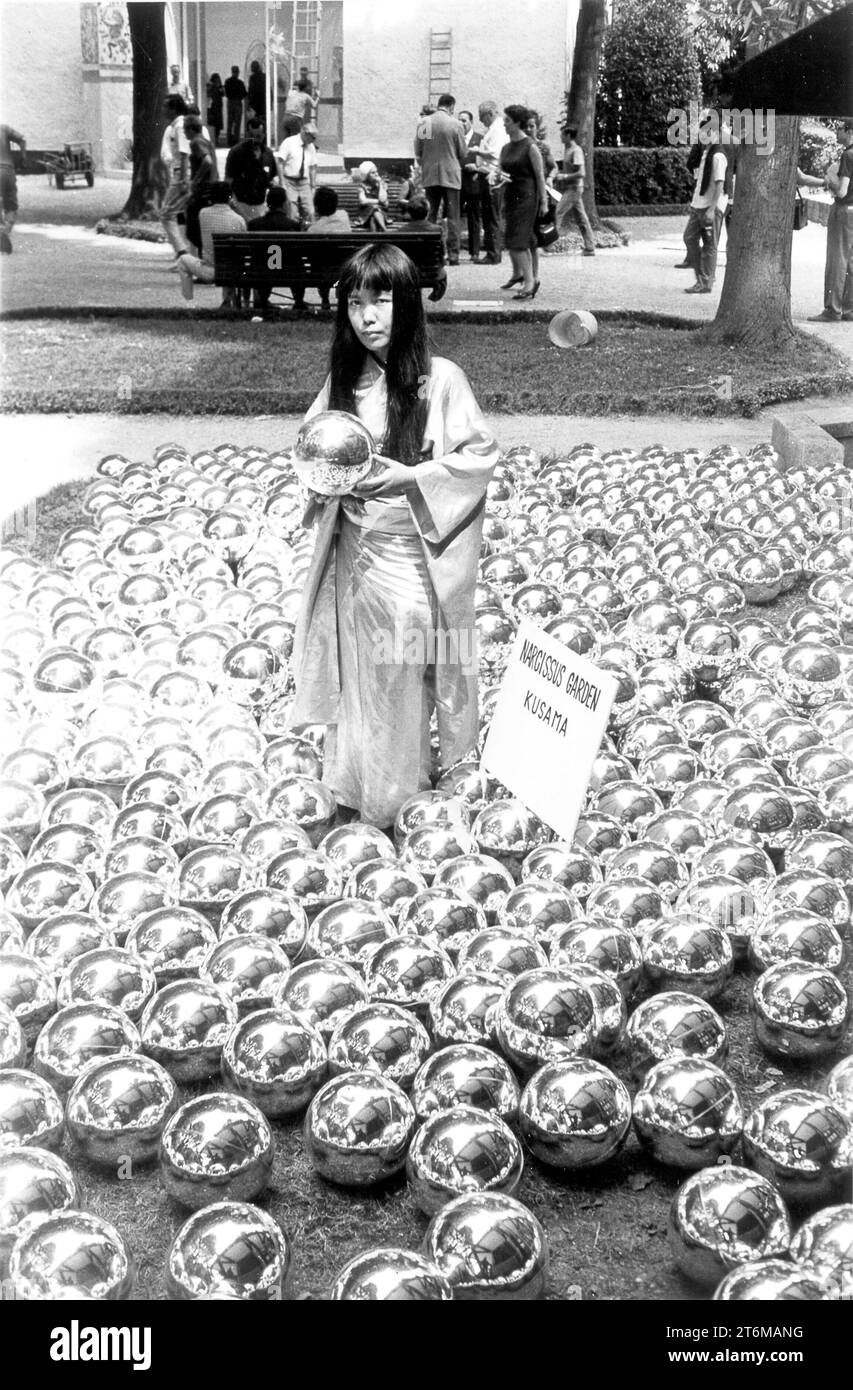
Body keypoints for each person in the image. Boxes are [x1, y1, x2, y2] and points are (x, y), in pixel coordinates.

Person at [289, 242, 499, 832]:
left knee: (400, 672)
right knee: (357, 673)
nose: (368, 318)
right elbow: (316, 446)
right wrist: (326, 482)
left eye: (380, 301)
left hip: (410, 554)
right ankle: (357, 780)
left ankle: (397, 797)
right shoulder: (344, 379)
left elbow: (479, 457)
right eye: (355, 304)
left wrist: (412, 476)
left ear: (405, 302)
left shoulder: (442, 379)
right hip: (355, 550)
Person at [499, 104, 549, 298]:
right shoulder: (505, 148)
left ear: (517, 123)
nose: (504, 124)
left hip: (527, 197)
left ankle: (529, 283)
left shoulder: (530, 146)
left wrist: (543, 202)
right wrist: (498, 177)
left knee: (516, 241)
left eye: (507, 121)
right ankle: (529, 280)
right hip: (510, 196)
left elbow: (540, 176)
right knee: (520, 240)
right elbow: (504, 172)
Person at [414, 93, 466, 265]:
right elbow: (462, 153)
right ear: (451, 106)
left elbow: (418, 151)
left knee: (430, 215)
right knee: (453, 217)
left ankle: (430, 253)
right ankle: (453, 256)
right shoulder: (456, 124)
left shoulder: (425, 122)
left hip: (430, 174)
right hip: (451, 174)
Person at [176, 181, 246, 307]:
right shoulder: (239, 220)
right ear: (230, 197)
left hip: (210, 270)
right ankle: (228, 301)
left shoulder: (203, 213)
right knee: (231, 260)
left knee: (182, 260)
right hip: (232, 272)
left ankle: (188, 301)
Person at [811, 117, 853, 323]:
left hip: (844, 211)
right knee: (851, 261)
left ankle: (833, 308)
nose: (837, 133)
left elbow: (843, 190)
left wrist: (829, 182)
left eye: (840, 129)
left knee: (837, 260)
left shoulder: (848, 155)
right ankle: (848, 308)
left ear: (849, 131)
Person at [683, 114, 729, 294]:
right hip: (699, 204)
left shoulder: (718, 155)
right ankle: (702, 276)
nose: (703, 135)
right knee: (689, 238)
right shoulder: (706, 152)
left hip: (711, 207)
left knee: (710, 244)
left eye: (707, 131)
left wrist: (712, 208)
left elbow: (720, 184)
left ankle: (705, 282)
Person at [246, 186, 300, 314]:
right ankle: (299, 301)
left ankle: (263, 299)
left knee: (262, 262)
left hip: (261, 271)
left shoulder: (254, 224)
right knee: (296, 264)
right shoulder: (293, 226)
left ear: (268, 203)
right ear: (284, 204)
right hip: (288, 272)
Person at [473, 100, 508, 264]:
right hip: (487, 175)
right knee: (489, 216)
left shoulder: (498, 129)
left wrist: (475, 151)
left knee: (492, 216)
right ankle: (492, 252)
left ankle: (494, 253)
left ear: (491, 113)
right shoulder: (493, 129)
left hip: (492, 177)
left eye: (482, 116)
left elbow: (494, 153)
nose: (481, 120)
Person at [225, 117, 278, 222]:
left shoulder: (268, 153)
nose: (254, 139)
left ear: (264, 135)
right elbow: (229, 180)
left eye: (258, 136)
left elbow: (272, 179)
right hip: (241, 205)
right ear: (247, 134)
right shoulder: (236, 152)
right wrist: (232, 202)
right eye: (251, 136)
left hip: (261, 206)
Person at [396, 196, 448, 301]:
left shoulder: (400, 231)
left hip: (407, 274)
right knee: (442, 271)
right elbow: (442, 254)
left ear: (409, 213)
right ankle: (437, 292)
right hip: (431, 274)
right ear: (428, 212)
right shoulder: (437, 230)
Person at [160, 95, 193, 255]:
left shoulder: (179, 126)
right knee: (185, 214)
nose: (163, 110)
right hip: (180, 173)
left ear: (173, 109)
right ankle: (189, 252)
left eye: (166, 107)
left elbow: (184, 153)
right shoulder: (175, 126)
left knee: (166, 214)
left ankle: (182, 252)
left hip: (181, 173)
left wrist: (183, 180)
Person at [556, 126, 595, 256]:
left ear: (568, 136)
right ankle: (590, 247)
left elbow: (581, 173)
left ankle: (549, 244)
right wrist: (561, 175)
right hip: (571, 187)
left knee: (558, 212)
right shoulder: (567, 149)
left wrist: (565, 176)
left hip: (575, 188)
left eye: (562, 135)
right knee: (581, 218)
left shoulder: (576, 150)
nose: (560, 137)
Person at [183, 113, 217, 253]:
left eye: (185, 129)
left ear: (191, 129)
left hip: (203, 188)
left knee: (192, 227)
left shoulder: (196, 142)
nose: (184, 132)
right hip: (210, 187)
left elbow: (207, 161)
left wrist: (195, 180)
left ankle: (202, 255)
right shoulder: (205, 140)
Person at [276, 120, 317, 225]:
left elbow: (313, 167)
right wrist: (282, 182)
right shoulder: (289, 142)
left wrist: (313, 185)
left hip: (304, 182)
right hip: (290, 180)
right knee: (292, 212)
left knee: (310, 211)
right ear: (304, 133)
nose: (314, 140)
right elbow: (280, 162)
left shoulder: (311, 147)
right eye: (312, 137)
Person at [459, 110, 483, 261]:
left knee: (474, 218)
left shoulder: (480, 138)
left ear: (471, 122)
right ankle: (452, 250)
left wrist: (476, 166)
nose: (461, 123)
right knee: (453, 216)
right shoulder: (456, 139)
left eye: (464, 120)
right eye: (459, 120)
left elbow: (484, 159)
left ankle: (474, 252)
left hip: (474, 182)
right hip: (458, 182)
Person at [0, 123, 25, 254]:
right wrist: (22, 159)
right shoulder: (3, 128)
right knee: (11, 207)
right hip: (7, 169)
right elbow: (22, 140)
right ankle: (5, 231)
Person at [355, 160, 388, 231]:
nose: (376, 174)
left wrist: (380, 184)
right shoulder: (362, 185)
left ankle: (374, 240)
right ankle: (385, 231)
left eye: (376, 172)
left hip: (381, 213)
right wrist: (378, 201)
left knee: (374, 212)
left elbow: (383, 199)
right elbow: (363, 201)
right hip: (365, 214)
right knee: (374, 210)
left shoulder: (382, 184)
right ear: (366, 175)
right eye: (373, 173)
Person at [224, 66, 247, 146]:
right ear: (238, 72)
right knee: (237, 123)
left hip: (230, 102)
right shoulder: (240, 83)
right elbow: (244, 94)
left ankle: (229, 141)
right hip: (237, 102)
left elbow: (226, 93)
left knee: (229, 122)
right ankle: (236, 140)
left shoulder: (227, 81)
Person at [206, 73, 224, 149]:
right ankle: (214, 139)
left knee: (218, 124)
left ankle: (216, 138)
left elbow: (223, 94)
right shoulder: (210, 86)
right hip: (213, 107)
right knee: (214, 123)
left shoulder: (220, 87)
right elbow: (208, 94)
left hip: (218, 107)